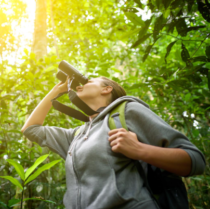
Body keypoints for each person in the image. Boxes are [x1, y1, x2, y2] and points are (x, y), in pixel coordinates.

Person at [21, 76, 205, 209]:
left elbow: (195, 161)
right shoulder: (77, 135)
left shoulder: (127, 111)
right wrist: (56, 91)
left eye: (90, 81)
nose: (82, 84)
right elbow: (30, 129)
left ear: (106, 89)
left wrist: (139, 150)